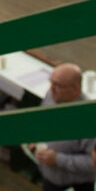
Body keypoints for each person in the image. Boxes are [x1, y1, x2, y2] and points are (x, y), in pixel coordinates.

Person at [30, 63, 96, 191]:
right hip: (51, 177)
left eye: (58, 85)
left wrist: (58, 160)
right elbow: (41, 121)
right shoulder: (51, 96)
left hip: (80, 181)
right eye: (51, 82)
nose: (51, 88)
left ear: (75, 89)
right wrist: (35, 138)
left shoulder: (89, 117)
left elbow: (92, 163)